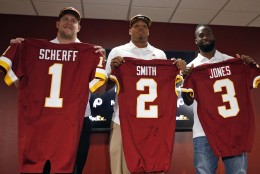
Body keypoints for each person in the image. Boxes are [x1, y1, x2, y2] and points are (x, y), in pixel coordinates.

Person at [6, 7, 106, 174]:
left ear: (79, 28)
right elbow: (20, 84)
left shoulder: (90, 53)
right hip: (43, 120)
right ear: (57, 23)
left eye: (74, 21)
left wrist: (101, 59)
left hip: (77, 121)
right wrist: (20, 51)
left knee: (73, 169)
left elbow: (100, 90)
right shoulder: (33, 50)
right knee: (41, 169)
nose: (69, 23)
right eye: (65, 19)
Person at [106, 14, 186, 174]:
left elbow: (169, 89)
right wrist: (113, 71)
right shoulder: (117, 51)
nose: (140, 28)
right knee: (121, 169)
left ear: (149, 32)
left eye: (144, 26)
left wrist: (179, 70)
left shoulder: (160, 54)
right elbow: (105, 87)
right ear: (130, 31)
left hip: (153, 123)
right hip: (123, 120)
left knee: (152, 168)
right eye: (136, 26)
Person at [182, 24, 258, 174]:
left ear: (214, 37)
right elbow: (188, 101)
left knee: (238, 172)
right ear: (196, 41)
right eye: (201, 35)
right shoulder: (192, 68)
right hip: (203, 132)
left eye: (208, 34)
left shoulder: (233, 62)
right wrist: (186, 78)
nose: (205, 37)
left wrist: (251, 65)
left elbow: (253, 80)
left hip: (232, 129)